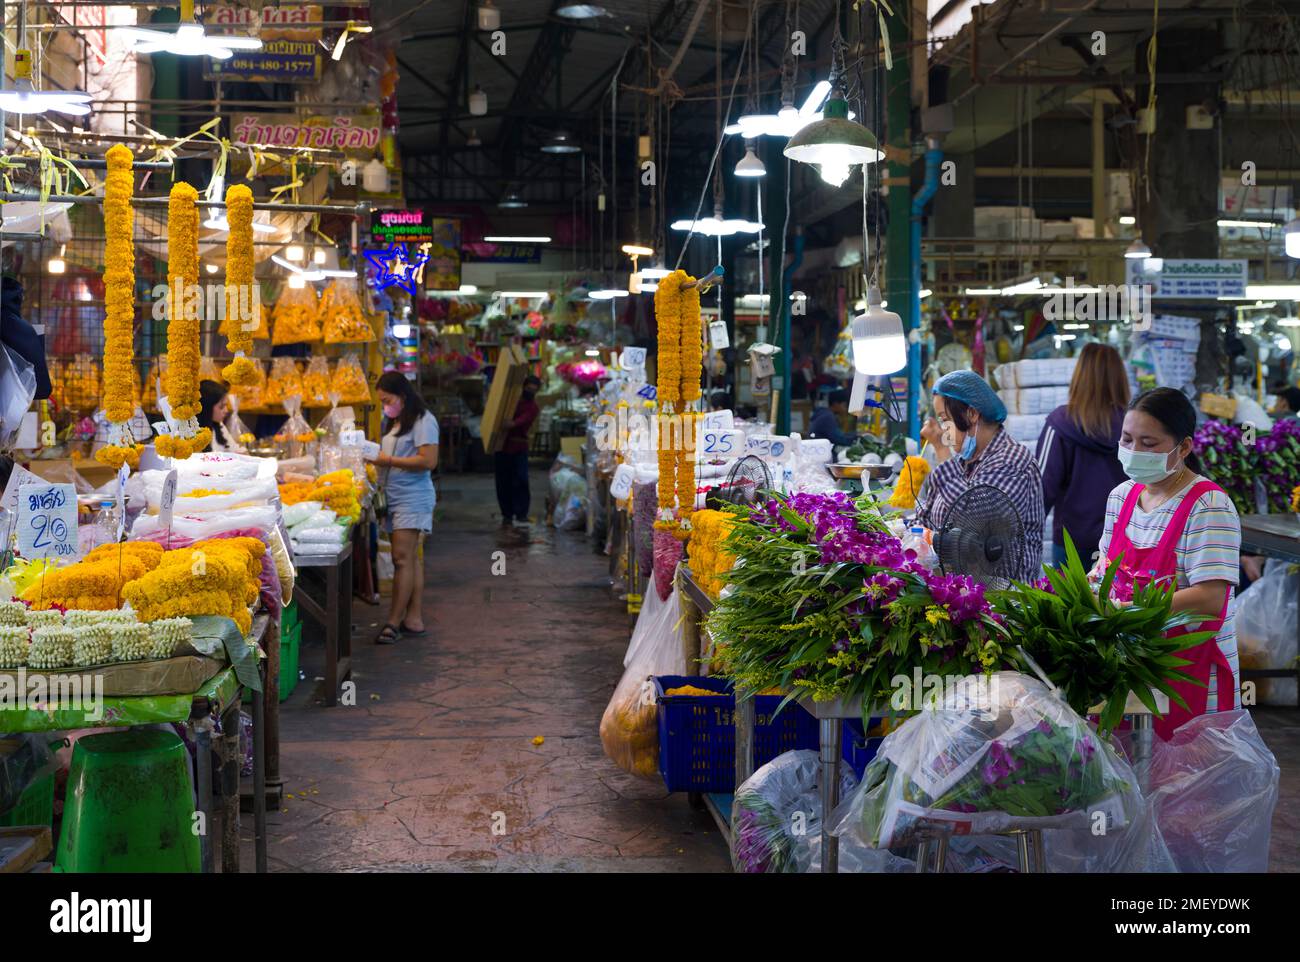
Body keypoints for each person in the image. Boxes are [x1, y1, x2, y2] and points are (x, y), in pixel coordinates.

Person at [1094, 387, 1241, 739]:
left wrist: (1130, 609)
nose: (1133, 452)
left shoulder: (1208, 506)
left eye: (1149, 443)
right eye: (1127, 440)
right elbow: (1105, 566)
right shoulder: (1122, 497)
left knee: (1184, 781)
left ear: (1184, 447)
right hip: (1130, 665)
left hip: (1190, 669)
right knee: (1130, 768)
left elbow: (1209, 599)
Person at [916, 370, 1045, 582]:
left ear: (972, 414)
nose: (943, 429)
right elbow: (927, 518)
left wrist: (940, 449)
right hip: (960, 592)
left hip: (1001, 601)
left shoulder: (1012, 460)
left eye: (945, 420)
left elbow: (976, 524)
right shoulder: (963, 463)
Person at [1036, 343, 1130, 567]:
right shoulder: (1135, 426)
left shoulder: (1060, 423)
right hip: (1125, 541)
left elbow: (1041, 488)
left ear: (1080, 377)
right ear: (1120, 378)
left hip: (1072, 544)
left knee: (1070, 602)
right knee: (1122, 602)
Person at [368, 371, 439, 645]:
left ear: (403, 395)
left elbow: (428, 460)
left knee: (401, 558)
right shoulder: (398, 423)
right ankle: (414, 618)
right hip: (397, 496)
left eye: (387, 400)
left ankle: (393, 622)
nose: (386, 406)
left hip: (414, 497)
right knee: (411, 559)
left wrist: (387, 460)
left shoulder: (424, 421)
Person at [495, 374, 540, 528]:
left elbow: (524, 419)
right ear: (523, 387)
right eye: (528, 389)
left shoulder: (533, 407)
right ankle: (507, 514)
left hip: (519, 447)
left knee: (521, 480)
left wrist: (512, 423)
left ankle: (521, 514)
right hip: (502, 446)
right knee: (503, 481)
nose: (530, 392)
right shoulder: (511, 402)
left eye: (533, 390)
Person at [197, 379, 242, 453]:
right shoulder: (190, 433)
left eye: (226, 406)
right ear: (207, 407)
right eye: (221, 407)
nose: (226, 411)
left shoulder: (218, 426)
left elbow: (235, 450)